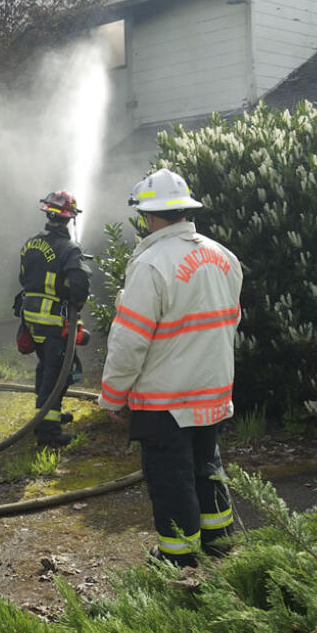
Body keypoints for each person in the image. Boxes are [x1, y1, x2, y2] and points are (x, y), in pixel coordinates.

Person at [98, 168, 241, 568]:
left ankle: (179, 559)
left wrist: (112, 395)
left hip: (165, 401)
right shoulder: (223, 256)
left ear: (149, 216)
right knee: (206, 465)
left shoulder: (151, 265)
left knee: (171, 477)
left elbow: (130, 339)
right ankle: (219, 542)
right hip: (211, 391)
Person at [17, 190, 92, 447]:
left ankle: (49, 416)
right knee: (56, 373)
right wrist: (74, 302)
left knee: (45, 368)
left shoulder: (30, 243)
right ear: (70, 218)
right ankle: (48, 433)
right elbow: (80, 287)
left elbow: (24, 278)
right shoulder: (69, 248)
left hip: (30, 319)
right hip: (52, 322)